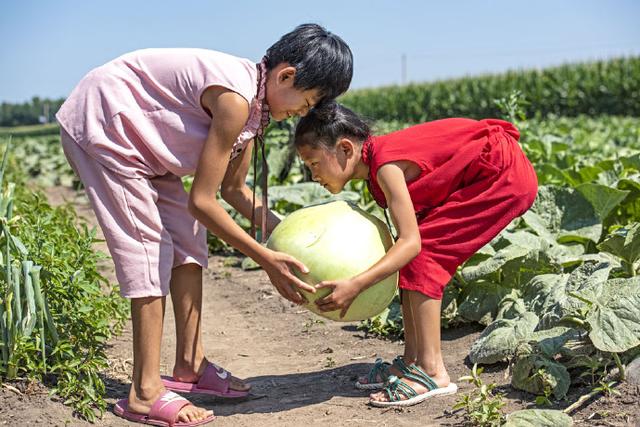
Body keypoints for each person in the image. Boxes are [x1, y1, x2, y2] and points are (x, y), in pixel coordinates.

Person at [56, 23, 353, 425]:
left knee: (188, 241)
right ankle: (144, 392)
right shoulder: (236, 100)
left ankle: (189, 366)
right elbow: (202, 200)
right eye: (304, 104)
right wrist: (266, 258)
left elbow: (233, 190)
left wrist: (294, 235)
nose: (298, 115)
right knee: (149, 248)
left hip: (147, 149)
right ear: (286, 76)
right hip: (108, 125)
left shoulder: (259, 109)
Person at [294, 101, 538, 407]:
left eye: (314, 164)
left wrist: (357, 284)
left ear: (345, 149)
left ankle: (433, 371)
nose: (313, 175)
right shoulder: (376, 166)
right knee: (411, 257)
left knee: (423, 256)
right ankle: (412, 361)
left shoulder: (385, 166)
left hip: (503, 176)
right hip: (489, 174)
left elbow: (412, 245)